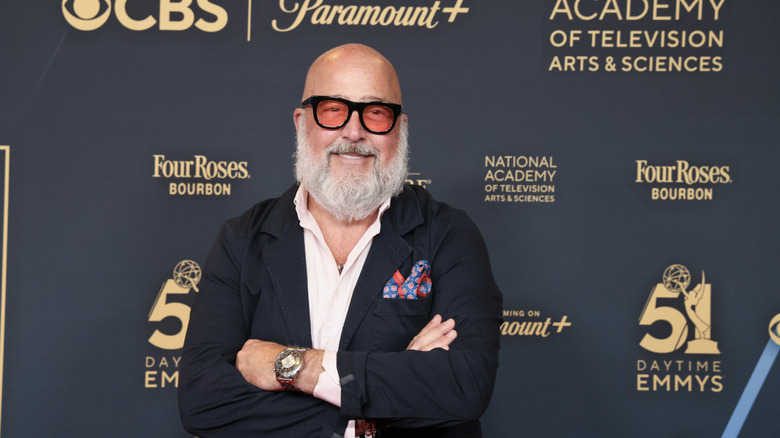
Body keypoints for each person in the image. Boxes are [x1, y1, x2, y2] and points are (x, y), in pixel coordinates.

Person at [179, 43, 502, 437]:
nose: (353, 131)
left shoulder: (449, 234)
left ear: (399, 130)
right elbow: (204, 401)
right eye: (332, 110)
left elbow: (462, 387)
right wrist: (372, 409)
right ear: (301, 122)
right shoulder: (242, 239)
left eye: (376, 112)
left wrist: (292, 366)